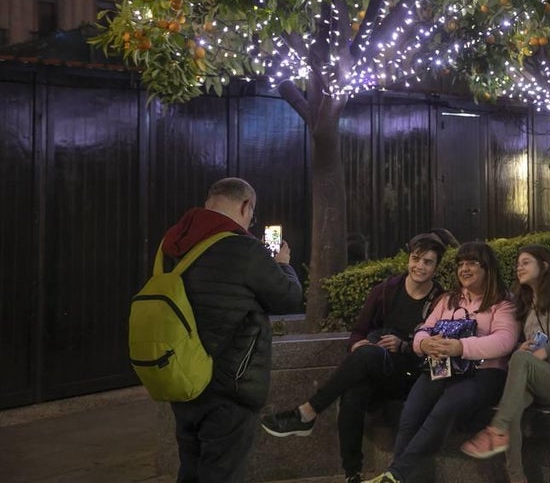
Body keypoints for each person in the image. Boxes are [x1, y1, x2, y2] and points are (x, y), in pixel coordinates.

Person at [260, 229, 458, 483]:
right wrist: (357, 346)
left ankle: (308, 412)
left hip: (411, 375)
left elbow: (434, 349)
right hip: (376, 368)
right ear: (408, 258)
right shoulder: (386, 290)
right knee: (352, 394)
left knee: (367, 355)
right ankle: (352, 474)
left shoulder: (439, 300)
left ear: (436, 266)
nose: (419, 266)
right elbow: (358, 333)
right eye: (416, 259)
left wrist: (404, 345)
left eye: (427, 262)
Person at [162, 178, 303, 483]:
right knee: (223, 472)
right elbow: (289, 298)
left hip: (182, 377)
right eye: (251, 213)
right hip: (230, 384)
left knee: (191, 467)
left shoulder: (172, 244)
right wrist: (283, 264)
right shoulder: (245, 249)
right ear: (244, 206)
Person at [367, 241, 519, 483]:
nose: (464, 269)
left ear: (487, 268)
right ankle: (397, 476)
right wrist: (424, 344)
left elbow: (505, 341)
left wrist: (461, 347)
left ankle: (395, 475)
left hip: (484, 373)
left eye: (472, 263)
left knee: (443, 409)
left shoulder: (502, 302)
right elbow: (424, 329)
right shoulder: (449, 299)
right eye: (460, 264)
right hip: (441, 368)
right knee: (410, 413)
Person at [459, 245, 550, 481]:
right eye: (517, 264)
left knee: (517, 371)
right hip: (536, 376)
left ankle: (496, 430)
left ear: (544, 266)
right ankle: (517, 478)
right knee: (512, 405)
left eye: (525, 262)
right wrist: (520, 348)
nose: (518, 268)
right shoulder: (526, 303)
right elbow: (526, 348)